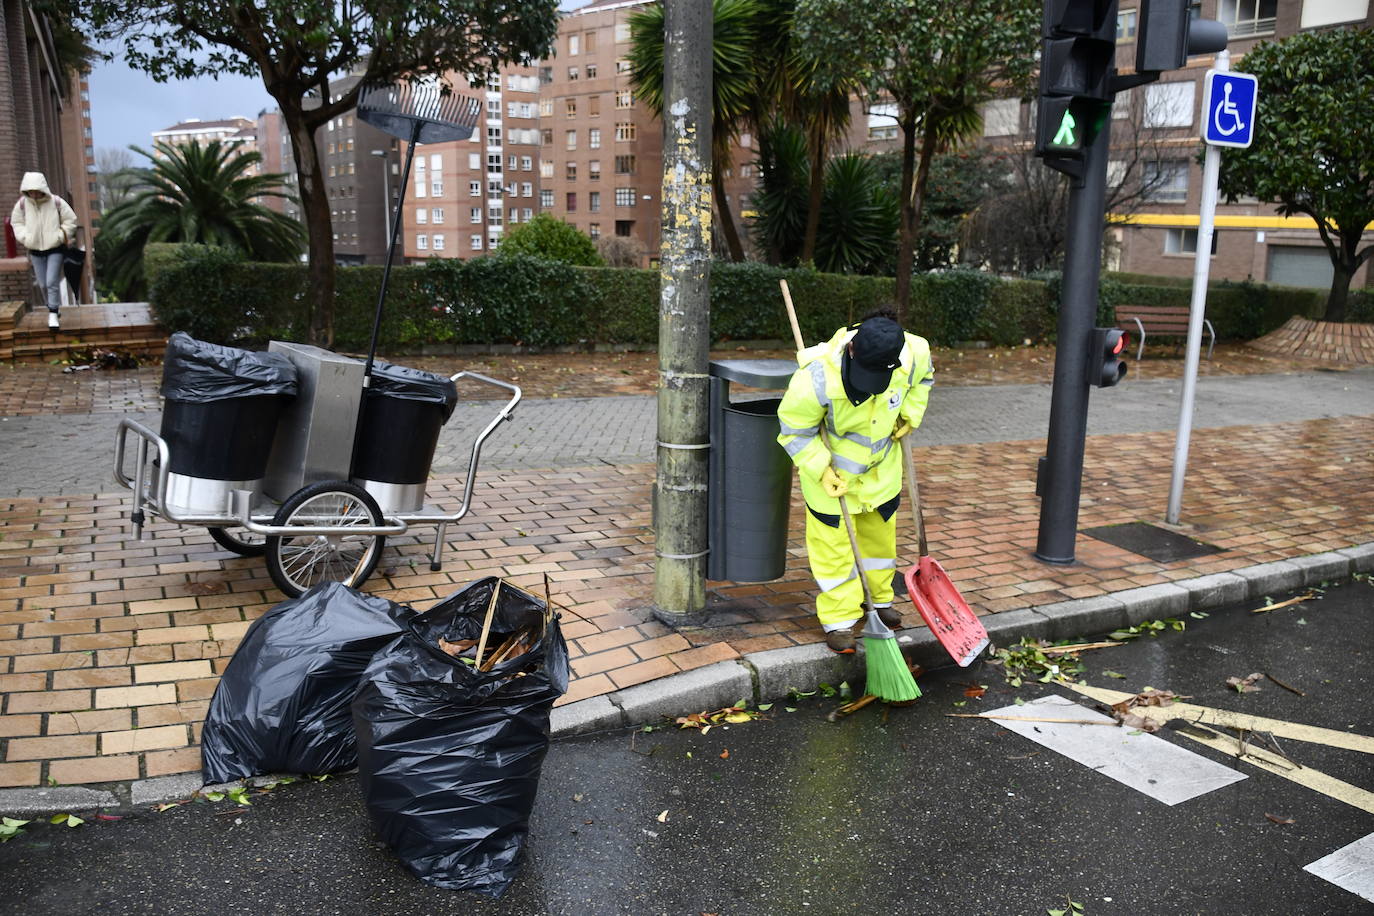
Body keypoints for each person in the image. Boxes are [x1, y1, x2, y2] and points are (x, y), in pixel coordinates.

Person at [777, 309, 934, 653]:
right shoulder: (815, 376)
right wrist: (820, 468)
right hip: (832, 481)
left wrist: (911, 414)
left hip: (881, 475)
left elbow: (924, 379)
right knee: (834, 554)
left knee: (879, 546)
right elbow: (794, 431)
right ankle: (839, 619)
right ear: (852, 351)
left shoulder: (913, 352)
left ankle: (878, 601)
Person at [10, 172, 78, 330]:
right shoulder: (22, 204)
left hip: (55, 248)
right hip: (35, 250)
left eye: (36, 190)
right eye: (30, 190)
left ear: (42, 188)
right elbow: (16, 223)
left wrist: (60, 236)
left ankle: (53, 314)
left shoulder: (56, 202)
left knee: (51, 281)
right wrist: (26, 238)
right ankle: (51, 307)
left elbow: (71, 220)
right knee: (42, 284)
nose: (33, 194)